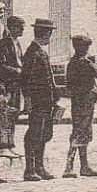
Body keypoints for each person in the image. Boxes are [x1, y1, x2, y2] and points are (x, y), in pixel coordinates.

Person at [20, 17, 58, 181]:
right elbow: (25, 78)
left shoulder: (40, 50)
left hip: (46, 100)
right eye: (49, 33)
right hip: (37, 100)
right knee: (34, 133)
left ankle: (39, 167)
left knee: (43, 133)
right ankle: (29, 170)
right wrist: (27, 98)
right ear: (47, 33)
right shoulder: (33, 52)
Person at [62, 34, 97, 177]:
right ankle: (69, 166)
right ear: (78, 47)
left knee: (84, 132)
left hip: (85, 102)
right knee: (79, 132)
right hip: (81, 102)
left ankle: (84, 166)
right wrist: (91, 63)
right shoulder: (79, 63)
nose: (86, 49)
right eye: (84, 47)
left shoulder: (80, 62)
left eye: (87, 47)